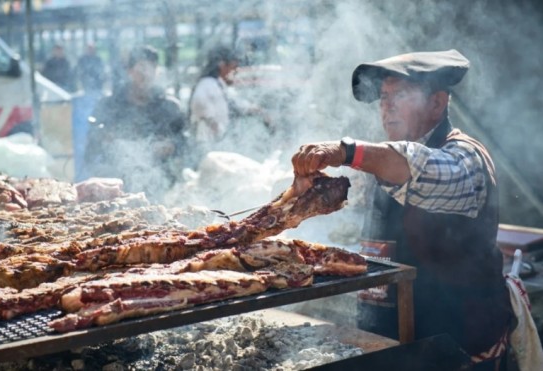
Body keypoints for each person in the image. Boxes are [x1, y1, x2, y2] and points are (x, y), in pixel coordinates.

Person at [291, 50, 512, 370]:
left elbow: (419, 166)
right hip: (391, 340)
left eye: (401, 95)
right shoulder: (385, 164)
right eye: (383, 97)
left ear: (437, 103)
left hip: (454, 349)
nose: (386, 106)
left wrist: (346, 151)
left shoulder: (465, 157)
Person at [83, 45, 186, 202]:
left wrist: (172, 145)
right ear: (129, 71)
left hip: (160, 186)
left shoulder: (170, 107)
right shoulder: (109, 105)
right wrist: (105, 139)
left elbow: (184, 141)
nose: (146, 73)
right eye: (141, 67)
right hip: (117, 188)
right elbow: (92, 144)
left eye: (152, 68)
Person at [189, 45, 272, 161]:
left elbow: (238, 104)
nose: (236, 73)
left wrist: (261, 111)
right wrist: (213, 124)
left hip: (217, 146)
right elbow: (200, 103)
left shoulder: (220, 86)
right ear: (222, 65)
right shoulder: (207, 84)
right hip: (207, 146)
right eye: (234, 68)